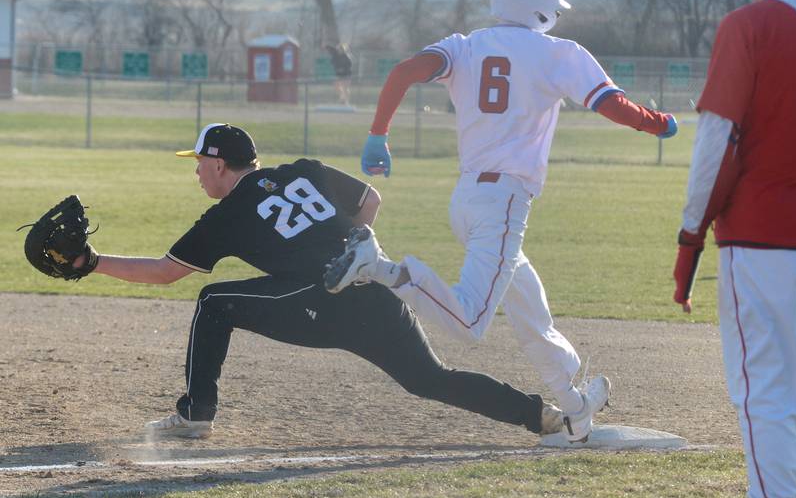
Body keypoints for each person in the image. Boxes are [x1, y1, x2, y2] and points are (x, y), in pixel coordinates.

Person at [324, 0, 678, 443]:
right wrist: (659, 123)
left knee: (531, 311)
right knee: (469, 321)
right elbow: (611, 105)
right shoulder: (558, 51)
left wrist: (377, 136)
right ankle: (379, 267)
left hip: (468, 198)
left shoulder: (464, 45)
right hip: (504, 201)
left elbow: (404, 72)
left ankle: (574, 411)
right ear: (544, 7)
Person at [74, 122, 564, 439]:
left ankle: (195, 414)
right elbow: (370, 200)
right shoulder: (302, 171)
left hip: (317, 300)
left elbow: (164, 272)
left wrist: (91, 262)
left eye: (200, 164)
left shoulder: (226, 215)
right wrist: (352, 248)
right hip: (372, 289)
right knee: (429, 379)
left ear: (220, 164)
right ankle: (538, 415)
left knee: (212, 301)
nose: (198, 174)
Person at [672, 0, 796, 498]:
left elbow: (717, 140)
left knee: (765, 392)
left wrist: (691, 234)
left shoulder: (750, 25)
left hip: (763, 237)